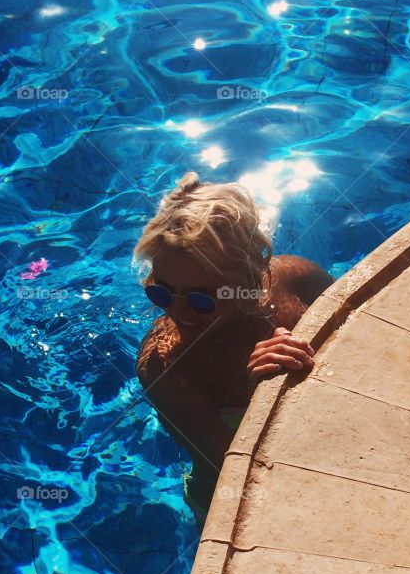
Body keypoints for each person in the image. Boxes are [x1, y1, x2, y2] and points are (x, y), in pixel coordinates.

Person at [133, 171, 334, 524]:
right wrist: (263, 397)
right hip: (225, 497)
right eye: (160, 292)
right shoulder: (165, 365)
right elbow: (243, 476)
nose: (177, 310)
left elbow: (358, 329)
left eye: (200, 298)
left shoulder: (295, 279)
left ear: (246, 279)